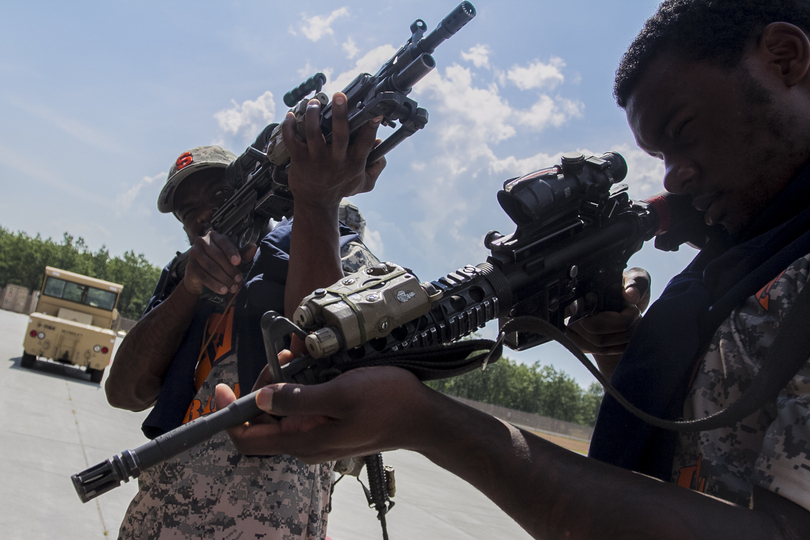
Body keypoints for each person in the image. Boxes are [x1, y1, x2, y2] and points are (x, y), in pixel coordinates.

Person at [215, 1, 810, 538]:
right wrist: (621, 352)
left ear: (785, 58)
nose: (673, 176)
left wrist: (433, 425)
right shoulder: (744, 256)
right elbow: (688, 458)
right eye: (660, 156)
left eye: (681, 132)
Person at [105, 93, 384, 539]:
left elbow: (331, 363)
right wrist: (189, 290)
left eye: (217, 196)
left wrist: (317, 201)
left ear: (252, 189)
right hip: (158, 519)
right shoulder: (181, 281)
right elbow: (124, 392)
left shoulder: (312, 242)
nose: (203, 218)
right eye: (187, 213)